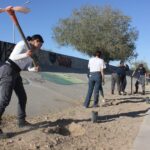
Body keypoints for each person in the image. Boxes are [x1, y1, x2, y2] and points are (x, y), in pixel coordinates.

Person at [0, 34, 44, 131]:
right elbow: (13, 57)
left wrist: (34, 69)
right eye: (40, 45)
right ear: (36, 41)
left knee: (22, 97)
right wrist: (25, 54)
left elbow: (27, 67)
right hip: (8, 69)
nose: (40, 48)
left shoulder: (32, 52)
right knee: (4, 100)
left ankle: (21, 122)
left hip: (16, 73)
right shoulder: (23, 44)